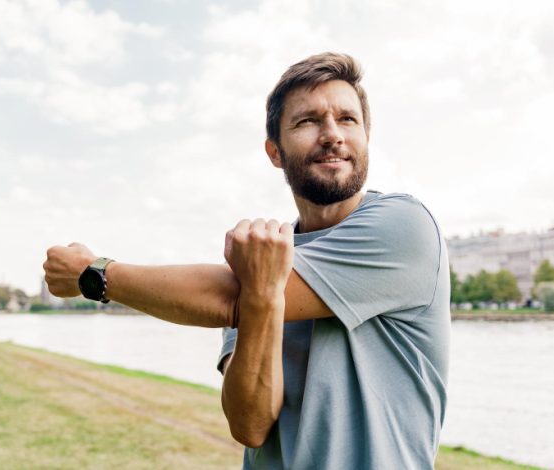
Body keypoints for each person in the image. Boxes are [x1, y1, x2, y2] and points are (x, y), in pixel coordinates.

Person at [43, 52, 450, 469]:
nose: (332, 134)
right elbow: (250, 424)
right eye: (308, 121)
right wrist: (258, 292)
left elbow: (225, 298)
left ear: (366, 136)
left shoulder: (403, 225)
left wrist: (91, 274)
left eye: (347, 119)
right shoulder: (261, 259)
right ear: (275, 152)